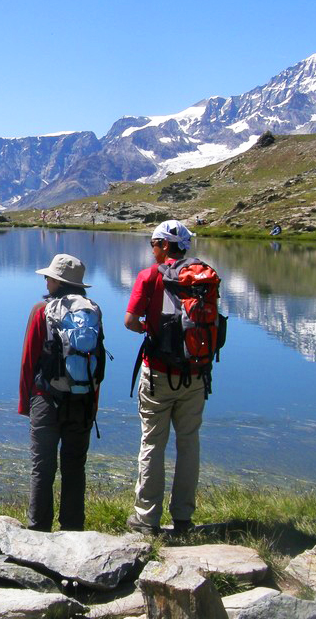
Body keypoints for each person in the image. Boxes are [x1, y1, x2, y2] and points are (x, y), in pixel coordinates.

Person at [123, 220, 203, 535]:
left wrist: (150, 330)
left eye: (153, 244)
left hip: (157, 374)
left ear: (165, 245)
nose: (152, 249)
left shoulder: (149, 276)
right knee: (189, 443)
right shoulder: (204, 277)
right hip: (196, 374)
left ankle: (146, 520)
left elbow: (130, 321)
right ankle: (183, 518)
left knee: (153, 443)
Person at [18, 253, 100, 531]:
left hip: (45, 399)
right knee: (75, 467)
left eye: (49, 277)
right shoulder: (93, 310)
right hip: (83, 400)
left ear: (57, 282)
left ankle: (38, 530)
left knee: (42, 468)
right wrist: (93, 402)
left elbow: (29, 360)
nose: (45, 280)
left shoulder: (41, 311)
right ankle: (73, 530)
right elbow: (95, 362)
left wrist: (25, 403)